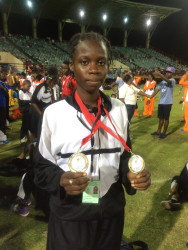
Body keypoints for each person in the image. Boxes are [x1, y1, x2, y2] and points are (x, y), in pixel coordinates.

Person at [34, 32, 151, 250]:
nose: (94, 69)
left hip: (110, 212)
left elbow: (124, 155)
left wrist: (130, 173)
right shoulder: (53, 114)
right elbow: (41, 168)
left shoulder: (118, 109)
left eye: (101, 62)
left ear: (108, 66)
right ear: (72, 66)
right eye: (84, 62)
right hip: (71, 214)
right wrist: (61, 180)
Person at [30, 67, 58, 139]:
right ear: (49, 81)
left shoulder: (50, 88)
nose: (54, 85)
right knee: (34, 133)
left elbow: (52, 99)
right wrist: (41, 114)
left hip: (44, 112)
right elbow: (33, 102)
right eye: (54, 83)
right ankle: (26, 149)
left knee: (43, 133)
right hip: (36, 112)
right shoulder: (41, 87)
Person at [151, 67, 176, 139]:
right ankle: (158, 131)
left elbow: (168, 81)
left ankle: (164, 133)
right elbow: (157, 90)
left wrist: (159, 74)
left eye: (169, 72)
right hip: (161, 102)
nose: (167, 73)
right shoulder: (162, 82)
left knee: (166, 119)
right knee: (160, 118)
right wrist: (150, 97)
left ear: (172, 74)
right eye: (167, 72)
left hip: (168, 103)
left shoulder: (172, 80)